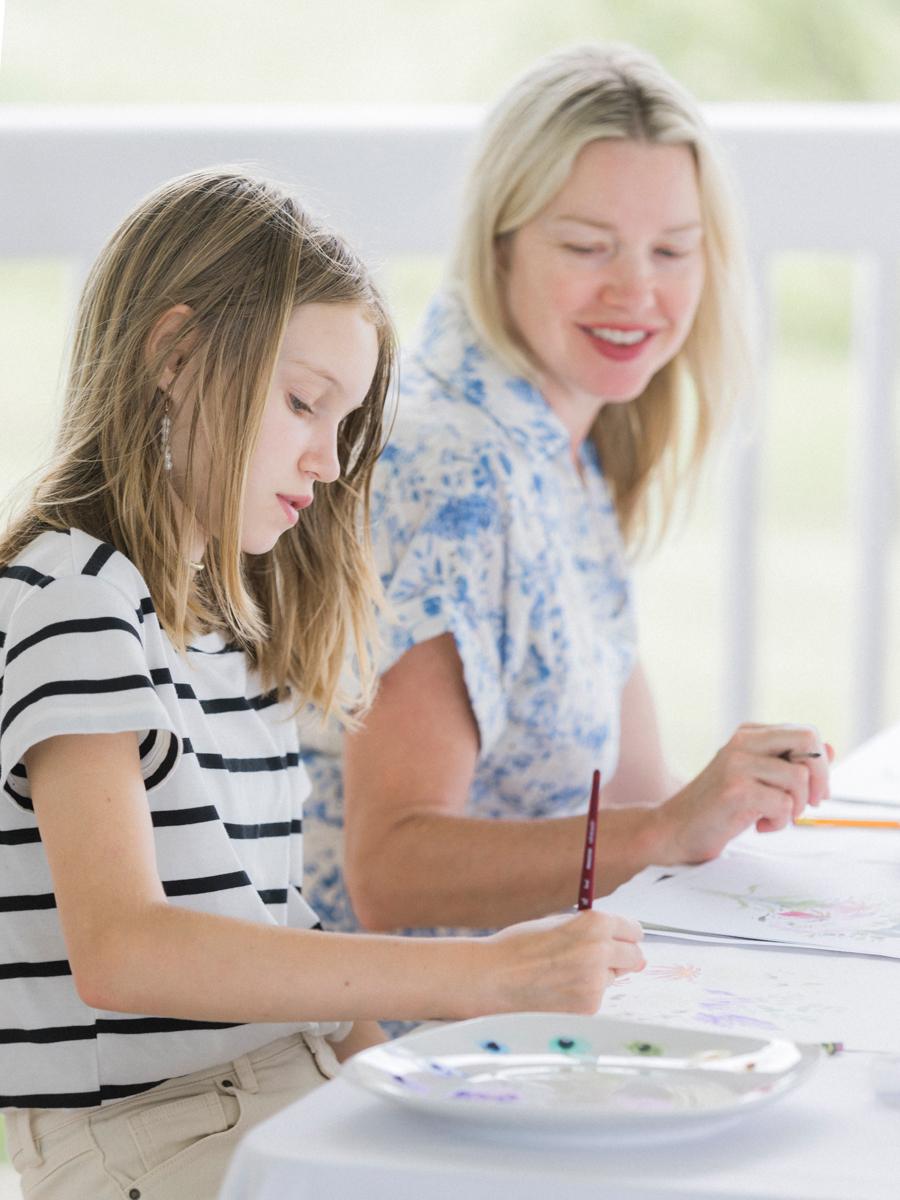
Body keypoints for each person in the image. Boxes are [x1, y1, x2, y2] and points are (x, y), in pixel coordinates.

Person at [0, 168, 645, 1200]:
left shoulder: (227, 630)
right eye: (305, 403)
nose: (331, 461)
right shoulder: (74, 606)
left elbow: (281, 938)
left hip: (297, 1094)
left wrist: (411, 1085)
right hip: (154, 1146)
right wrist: (479, 978)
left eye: (345, 423)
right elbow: (123, 950)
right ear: (174, 356)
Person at [301, 43, 830, 937]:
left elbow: (632, 794)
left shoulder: (560, 453)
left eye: (673, 249)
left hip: (525, 999)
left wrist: (724, 804)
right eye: (587, 246)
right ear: (497, 247)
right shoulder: (452, 468)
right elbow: (391, 870)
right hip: (405, 1042)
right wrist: (667, 828)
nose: (637, 291)